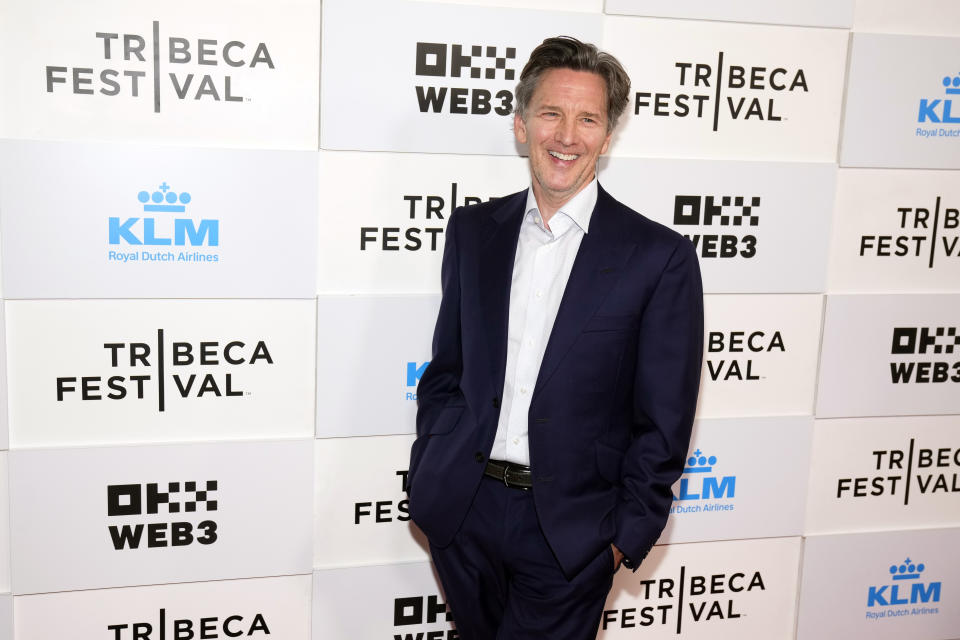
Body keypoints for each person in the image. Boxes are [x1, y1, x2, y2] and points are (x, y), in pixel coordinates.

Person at [407, 36, 703, 640]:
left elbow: (665, 420)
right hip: (464, 511)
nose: (567, 135)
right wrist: (431, 470)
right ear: (521, 124)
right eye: (551, 113)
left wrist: (622, 537)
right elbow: (447, 373)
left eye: (588, 118)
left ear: (608, 135)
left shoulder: (658, 257)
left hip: (572, 533)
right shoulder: (472, 232)